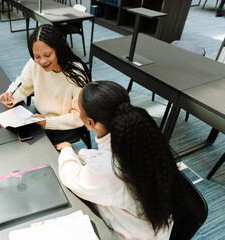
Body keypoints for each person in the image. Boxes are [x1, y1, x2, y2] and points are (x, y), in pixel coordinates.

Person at [56, 81, 181, 240]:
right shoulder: (137, 133)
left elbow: (72, 178)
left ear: (90, 122)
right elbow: (104, 159)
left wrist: (67, 150)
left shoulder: (109, 167)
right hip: (151, 222)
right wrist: (81, 153)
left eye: (78, 109)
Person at [0, 24, 91, 145]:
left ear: (59, 49)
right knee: (11, 135)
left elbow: (79, 116)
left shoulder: (76, 74)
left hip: (65, 124)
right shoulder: (34, 63)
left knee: (29, 144)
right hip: (41, 116)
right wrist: (11, 96)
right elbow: (22, 84)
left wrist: (48, 122)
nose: (42, 61)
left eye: (48, 55)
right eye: (37, 56)